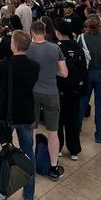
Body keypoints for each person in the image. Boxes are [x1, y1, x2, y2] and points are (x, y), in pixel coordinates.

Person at [0, 30, 39, 200]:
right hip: (26, 114)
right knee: (28, 153)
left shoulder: (4, 64)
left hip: (6, 114)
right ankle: (29, 195)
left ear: (14, 45)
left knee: (2, 154)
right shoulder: (35, 66)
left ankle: (1, 194)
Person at [27, 21, 68, 181]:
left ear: (31, 32)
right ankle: (53, 166)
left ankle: (30, 163)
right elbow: (64, 73)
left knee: (31, 130)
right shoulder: (55, 48)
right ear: (44, 32)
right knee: (52, 132)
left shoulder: (28, 49)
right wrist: (53, 72)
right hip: (51, 92)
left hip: (32, 93)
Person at [54, 19, 86, 160]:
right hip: (75, 90)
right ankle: (74, 150)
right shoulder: (78, 47)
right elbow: (83, 69)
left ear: (59, 33)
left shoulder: (56, 47)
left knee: (58, 120)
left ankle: (59, 147)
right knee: (73, 119)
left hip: (59, 88)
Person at [78, 17, 101, 143]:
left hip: (86, 74)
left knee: (82, 102)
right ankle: (99, 135)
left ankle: (76, 129)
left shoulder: (81, 38)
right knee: (100, 106)